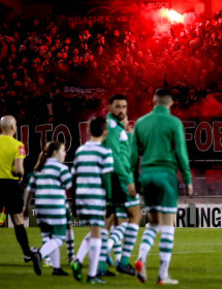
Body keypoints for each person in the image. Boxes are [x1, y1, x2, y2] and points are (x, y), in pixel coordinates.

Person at [131, 88, 193, 285]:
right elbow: (181, 154)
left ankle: (141, 258)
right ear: (171, 103)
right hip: (166, 175)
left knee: (154, 223)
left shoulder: (141, 122)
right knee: (168, 225)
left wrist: (131, 180)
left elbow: (133, 156)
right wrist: (188, 178)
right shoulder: (174, 122)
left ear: (153, 101)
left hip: (146, 176)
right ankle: (162, 275)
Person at [0, 116, 37, 267]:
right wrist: (21, 175)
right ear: (12, 127)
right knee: (17, 220)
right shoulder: (18, 145)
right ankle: (26, 253)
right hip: (11, 185)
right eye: (15, 125)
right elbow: (18, 169)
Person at [70, 116, 114, 284]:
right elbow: (107, 178)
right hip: (96, 197)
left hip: (80, 196)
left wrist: (73, 200)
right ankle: (92, 275)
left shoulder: (80, 150)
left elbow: (74, 178)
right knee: (97, 233)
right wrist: (110, 200)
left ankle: (78, 260)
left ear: (88, 131)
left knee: (96, 230)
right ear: (105, 132)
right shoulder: (105, 151)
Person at [23, 141, 72, 276]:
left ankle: (56, 268)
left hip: (40, 208)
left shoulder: (39, 169)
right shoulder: (61, 168)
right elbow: (70, 185)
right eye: (63, 150)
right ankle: (39, 254)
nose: (65, 153)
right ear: (55, 153)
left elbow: (29, 190)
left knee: (51, 238)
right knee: (59, 238)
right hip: (55, 206)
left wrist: (25, 207)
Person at [104, 94, 140, 276]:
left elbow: (129, 155)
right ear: (110, 107)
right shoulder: (111, 127)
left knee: (113, 221)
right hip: (118, 179)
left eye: (124, 107)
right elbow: (115, 158)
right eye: (118, 106)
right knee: (134, 215)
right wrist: (128, 180)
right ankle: (122, 261)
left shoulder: (117, 128)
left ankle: (104, 263)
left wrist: (129, 135)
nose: (122, 110)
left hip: (117, 177)